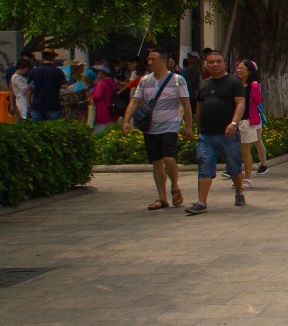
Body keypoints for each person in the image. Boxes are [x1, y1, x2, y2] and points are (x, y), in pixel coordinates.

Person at [123, 50, 190, 210]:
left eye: (153, 59)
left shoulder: (177, 80)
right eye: (149, 59)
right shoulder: (144, 81)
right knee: (156, 162)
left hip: (170, 126)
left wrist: (188, 126)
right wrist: (126, 121)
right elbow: (135, 102)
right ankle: (162, 197)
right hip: (150, 128)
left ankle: (174, 186)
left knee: (169, 159)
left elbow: (186, 104)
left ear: (164, 61)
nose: (150, 62)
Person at [186, 51, 247, 214]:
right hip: (206, 134)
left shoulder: (233, 82)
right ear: (206, 64)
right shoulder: (204, 84)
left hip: (227, 133)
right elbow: (199, 107)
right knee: (204, 164)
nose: (215, 64)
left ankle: (239, 192)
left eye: (218, 61)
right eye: (211, 62)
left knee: (233, 165)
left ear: (224, 64)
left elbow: (240, 104)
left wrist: (234, 123)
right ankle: (202, 202)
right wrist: (196, 124)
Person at [237, 59, 270, 177]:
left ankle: (264, 164)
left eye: (242, 68)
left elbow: (257, 101)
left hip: (252, 118)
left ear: (250, 71)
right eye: (238, 68)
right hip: (238, 120)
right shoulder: (235, 84)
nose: (239, 70)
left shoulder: (254, 85)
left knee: (257, 140)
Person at [26, 53, 68, 122]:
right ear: (53, 59)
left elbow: (29, 88)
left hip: (37, 105)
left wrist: (28, 103)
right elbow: (64, 85)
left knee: (36, 130)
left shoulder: (34, 71)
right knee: (53, 130)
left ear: (43, 59)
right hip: (53, 105)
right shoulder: (57, 71)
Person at [85, 66, 117, 130]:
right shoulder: (113, 82)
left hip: (101, 109)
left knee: (100, 130)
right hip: (111, 108)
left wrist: (91, 98)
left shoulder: (101, 82)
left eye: (99, 72)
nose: (97, 73)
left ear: (103, 73)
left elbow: (97, 95)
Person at [9, 56, 33, 121]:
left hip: (25, 102)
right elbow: (25, 90)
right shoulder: (16, 78)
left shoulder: (21, 77)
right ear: (22, 67)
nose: (27, 71)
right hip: (23, 103)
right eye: (27, 68)